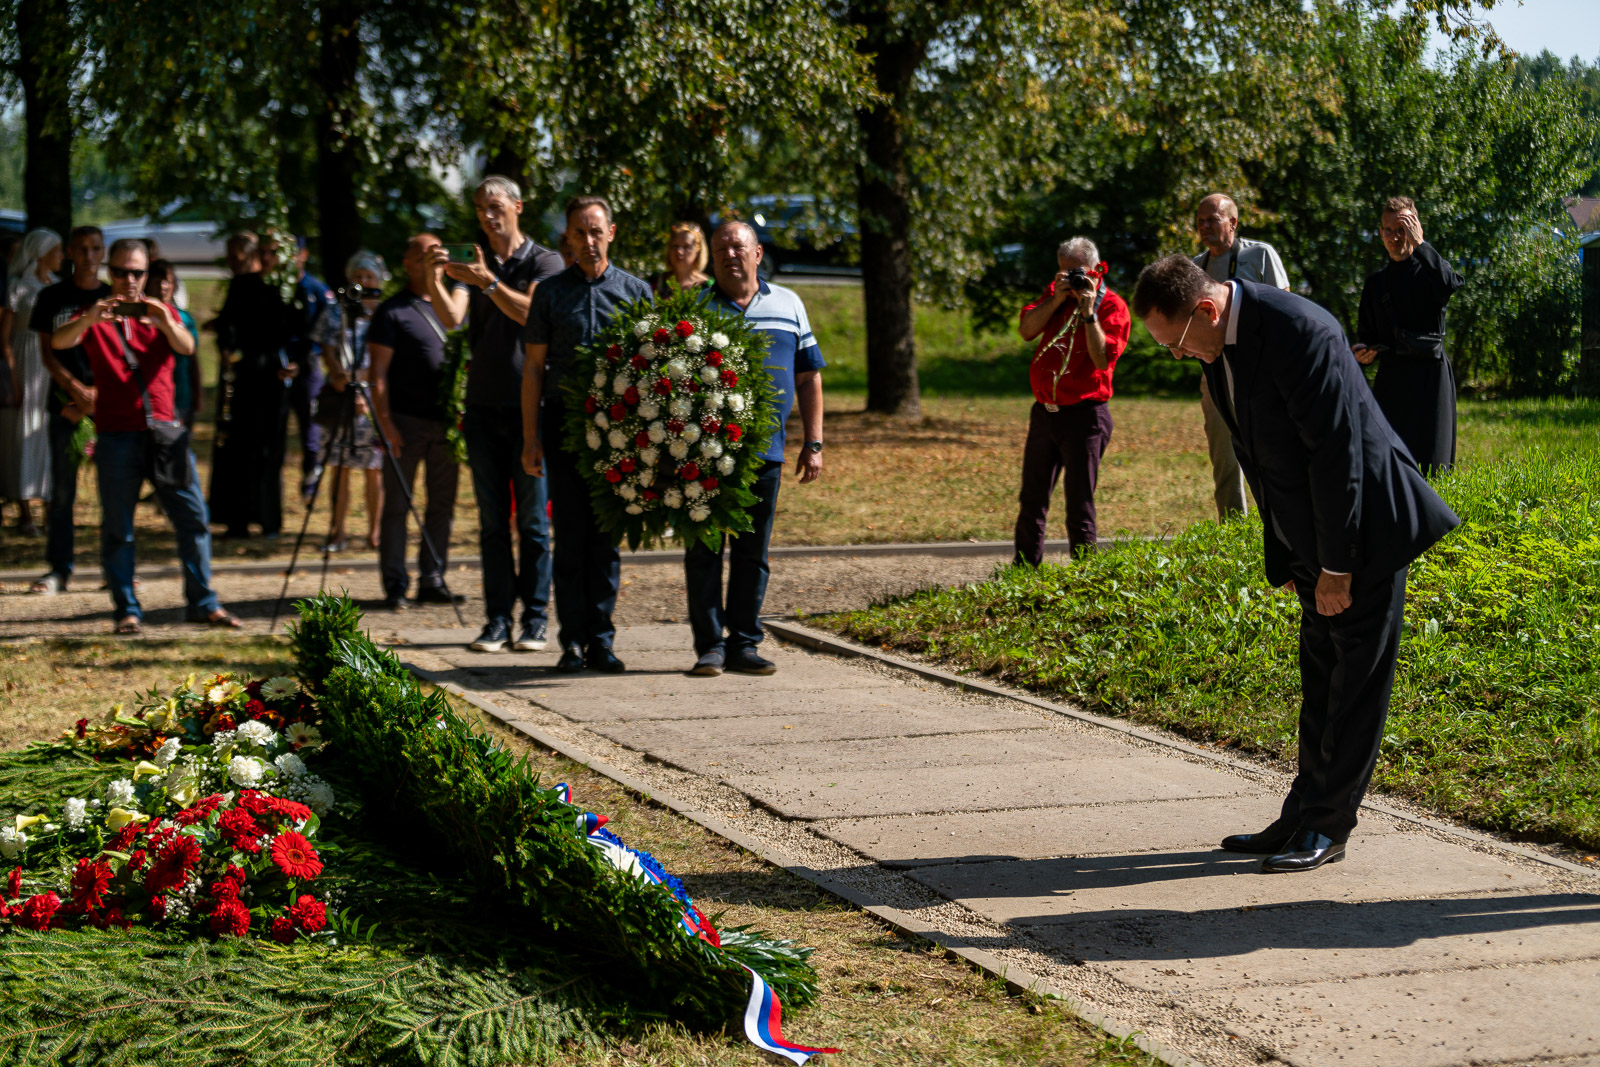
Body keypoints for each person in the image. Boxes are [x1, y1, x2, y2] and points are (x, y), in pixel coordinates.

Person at [1132, 255, 1459, 872]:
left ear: (1206, 309)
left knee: (1354, 686)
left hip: (1366, 530)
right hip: (1310, 535)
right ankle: (1301, 814)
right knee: (1321, 678)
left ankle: (1329, 828)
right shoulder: (1220, 342)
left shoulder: (1298, 329)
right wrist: (1282, 553)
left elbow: (1336, 458)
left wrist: (1338, 566)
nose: (1176, 355)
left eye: (1175, 343)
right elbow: (1262, 455)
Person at [49, 239, 240, 633]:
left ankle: (203, 602)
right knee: (119, 528)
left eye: (137, 272)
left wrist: (165, 322)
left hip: (167, 433)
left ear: (147, 272)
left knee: (193, 520)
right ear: (109, 272)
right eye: (120, 272)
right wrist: (89, 321)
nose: (128, 281)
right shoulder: (94, 314)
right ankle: (127, 610)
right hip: (118, 434)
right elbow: (58, 341)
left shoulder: (162, 312)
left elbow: (187, 347)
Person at [686, 220, 825, 676]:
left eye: (738, 246)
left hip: (766, 452)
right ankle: (709, 645)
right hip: (703, 455)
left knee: (752, 551)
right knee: (704, 549)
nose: (730, 254)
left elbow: (808, 376)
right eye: (721, 247)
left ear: (757, 253)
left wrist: (814, 442)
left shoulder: (789, 304)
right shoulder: (695, 307)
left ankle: (744, 641)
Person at [430, 175, 563, 649]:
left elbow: (534, 315)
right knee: (490, 523)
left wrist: (489, 281)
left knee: (531, 520)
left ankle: (536, 621)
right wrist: (436, 278)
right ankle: (496, 621)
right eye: (480, 209)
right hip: (483, 406)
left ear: (517, 207)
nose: (487, 216)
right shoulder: (475, 261)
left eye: (495, 206)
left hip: (531, 408)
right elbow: (451, 318)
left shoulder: (545, 261)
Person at [521, 195, 653, 672]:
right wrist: (530, 437)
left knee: (606, 536)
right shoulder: (550, 293)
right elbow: (534, 369)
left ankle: (602, 637)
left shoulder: (637, 291)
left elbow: (652, 371)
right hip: (564, 423)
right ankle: (572, 640)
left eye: (596, 231)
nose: (589, 241)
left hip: (620, 430)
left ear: (611, 233)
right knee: (571, 533)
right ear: (568, 239)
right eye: (580, 233)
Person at [1012, 237, 1131, 564]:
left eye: (1075, 272)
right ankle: (1023, 573)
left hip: (1085, 417)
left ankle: (1084, 577)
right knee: (1032, 498)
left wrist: (1088, 311)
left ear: (1095, 270)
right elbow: (1026, 330)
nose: (1068, 279)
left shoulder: (1113, 306)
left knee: (1079, 501)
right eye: (1062, 272)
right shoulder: (1055, 296)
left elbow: (1101, 358)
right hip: (1045, 414)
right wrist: (1055, 299)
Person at [370, 235, 462, 609]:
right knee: (397, 506)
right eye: (423, 252)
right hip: (404, 423)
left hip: (447, 425)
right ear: (407, 262)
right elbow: (377, 373)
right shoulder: (391, 312)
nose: (432, 258)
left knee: (442, 504)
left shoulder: (454, 304)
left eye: (437, 252)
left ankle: (432, 578)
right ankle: (395, 583)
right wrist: (386, 423)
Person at [1191, 194, 1291, 519]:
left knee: (1270, 450)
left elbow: (1284, 307)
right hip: (1215, 372)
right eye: (1200, 221)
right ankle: (1233, 527)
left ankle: (1280, 521)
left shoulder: (1260, 254)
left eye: (1212, 220)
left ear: (1233, 223)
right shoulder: (1195, 266)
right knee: (1223, 454)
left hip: (1259, 373)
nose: (1204, 226)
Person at [1354, 196, 1465, 477]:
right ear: (1380, 233)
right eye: (1388, 230)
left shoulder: (1429, 272)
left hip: (1431, 378)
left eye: (1401, 229)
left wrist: (1421, 244)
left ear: (1415, 228)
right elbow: (1366, 336)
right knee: (1389, 465)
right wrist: (1363, 355)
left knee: (1434, 467)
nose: (1394, 237)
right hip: (1392, 381)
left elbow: (1449, 284)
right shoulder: (1375, 285)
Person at [30, 225, 108, 594]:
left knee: (114, 489)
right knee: (62, 491)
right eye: (82, 249)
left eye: (96, 248)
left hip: (108, 405)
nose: (89, 256)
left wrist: (99, 394)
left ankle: (115, 568)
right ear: (71, 254)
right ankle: (60, 568)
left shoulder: (113, 297)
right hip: (64, 405)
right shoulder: (52, 297)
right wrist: (75, 389)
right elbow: (48, 352)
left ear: (103, 253)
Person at [210, 232, 292, 538]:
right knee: (239, 446)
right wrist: (227, 348)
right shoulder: (242, 285)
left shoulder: (288, 289)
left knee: (270, 447)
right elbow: (228, 324)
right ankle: (238, 519)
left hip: (273, 375)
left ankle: (269, 518)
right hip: (246, 375)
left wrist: (291, 359)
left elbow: (297, 332)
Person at [308, 250, 388, 552]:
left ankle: (375, 534)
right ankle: (337, 532)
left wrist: (364, 386)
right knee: (339, 465)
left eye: (369, 276)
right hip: (340, 395)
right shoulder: (335, 310)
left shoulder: (384, 313)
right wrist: (342, 378)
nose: (363, 282)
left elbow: (385, 357)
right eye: (358, 276)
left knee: (373, 467)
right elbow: (326, 347)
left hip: (372, 397)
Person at [1, 229, 63, 535]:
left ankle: (51, 508)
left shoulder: (59, 287)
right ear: (42, 253)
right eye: (57, 251)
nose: (62, 257)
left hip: (51, 364)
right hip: (27, 363)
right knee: (22, 432)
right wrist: (12, 377)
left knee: (49, 432)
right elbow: (4, 339)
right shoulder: (18, 287)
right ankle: (25, 513)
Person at [284, 236, 334, 501]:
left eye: (295, 252)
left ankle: (310, 478)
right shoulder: (278, 288)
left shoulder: (316, 289)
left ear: (303, 254)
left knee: (310, 428)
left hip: (309, 365)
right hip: (280, 365)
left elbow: (326, 329)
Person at [145, 260, 201, 427]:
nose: (163, 286)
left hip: (181, 397)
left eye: (168, 281)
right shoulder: (140, 319)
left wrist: (198, 395)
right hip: (151, 401)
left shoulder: (184, 319)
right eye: (157, 281)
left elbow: (193, 358)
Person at [651, 222, 710, 296]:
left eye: (686, 247)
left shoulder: (708, 286)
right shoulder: (655, 283)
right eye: (675, 246)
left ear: (698, 250)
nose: (679, 251)